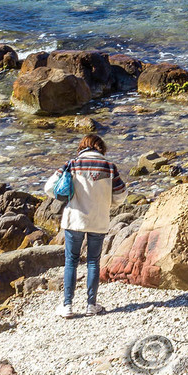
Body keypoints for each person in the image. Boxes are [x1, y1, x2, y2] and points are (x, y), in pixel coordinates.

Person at [46, 130, 125, 317]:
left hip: (75, 219)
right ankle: (91, 305)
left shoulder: (72, 164)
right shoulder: (109, 167)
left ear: (82, 146)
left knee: (71, 261)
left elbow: (49, 187)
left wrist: (66, 197)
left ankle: (67, 306)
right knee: (93, 262)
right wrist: (108, 203)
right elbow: (121, 195)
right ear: (101, 148)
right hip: (99, 220)